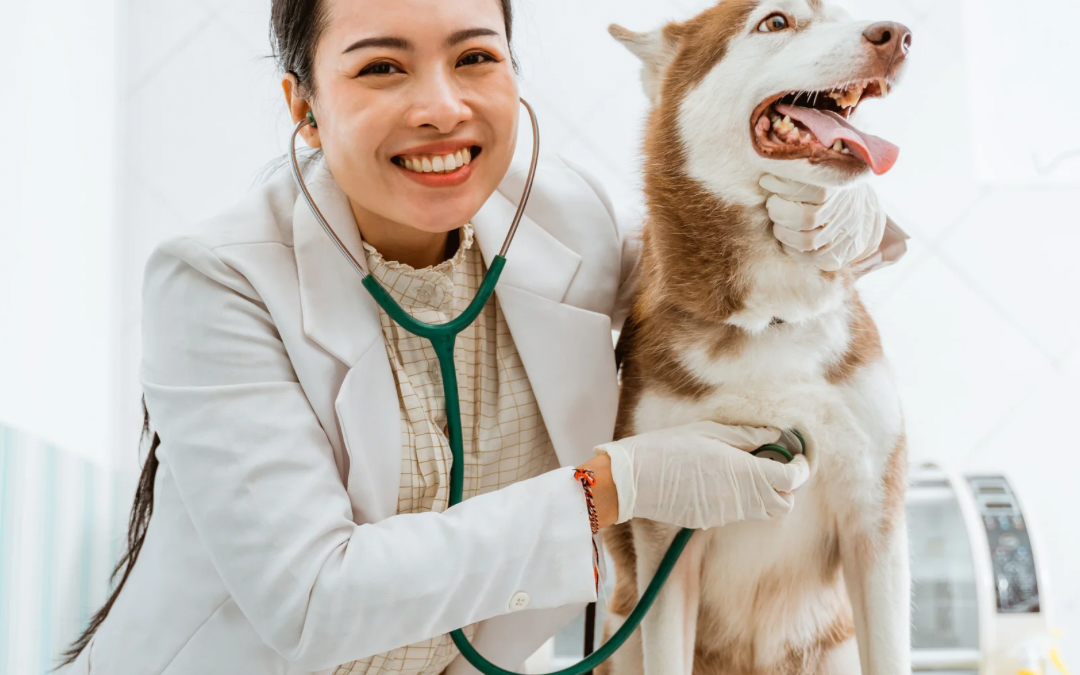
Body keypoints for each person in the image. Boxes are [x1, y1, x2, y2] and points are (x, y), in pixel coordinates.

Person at [57, 0, 907, 673]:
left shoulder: (566, 221)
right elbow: (311, 604)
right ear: (304, 107)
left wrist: (841, 205)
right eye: (381, 67)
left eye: (475, 57)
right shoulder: (214, 280)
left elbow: (727, 264)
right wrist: (611, 486)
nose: (440, 106)